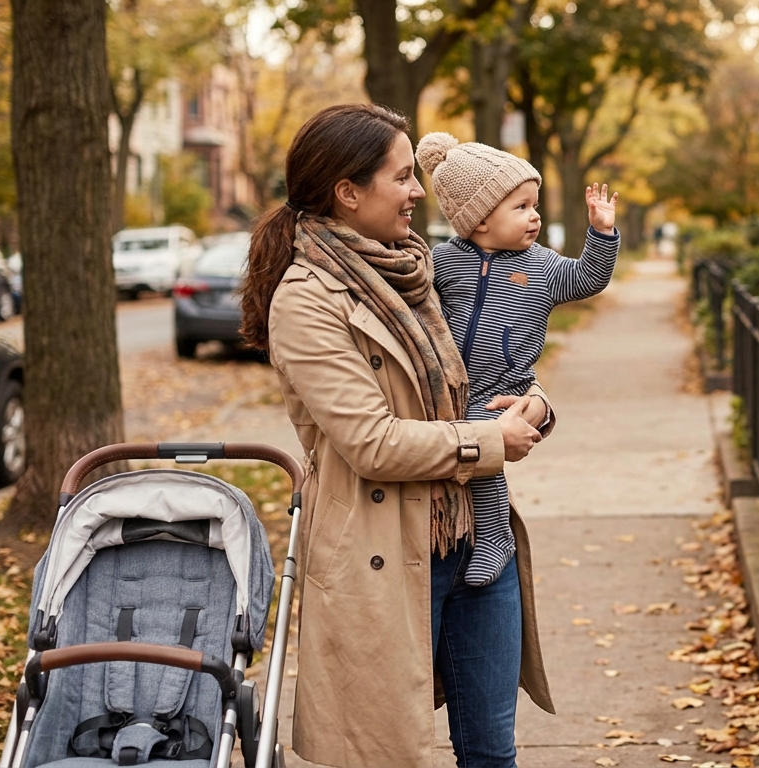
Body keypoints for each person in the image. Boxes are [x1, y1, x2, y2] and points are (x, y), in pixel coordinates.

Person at [237, 104, 555, 767]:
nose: (417, 193)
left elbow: (490, 367)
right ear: (347, 193)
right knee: (388, 757)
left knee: (492, 754)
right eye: (401, 178)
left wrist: (534, 405)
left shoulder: (419, 271)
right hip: (380, 557)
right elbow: (373, 443)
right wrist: (489, 442)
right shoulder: (306, 299)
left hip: (475, 537)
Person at [414, 132, 618, 587]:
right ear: (479, 220)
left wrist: (601, 234)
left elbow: (588, 278)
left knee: (483, 440)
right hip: (449, 383)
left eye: (535, 205)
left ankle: (493, 535)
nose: (535, 216)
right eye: (521, 207)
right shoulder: (443, 262)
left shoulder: (541, 267)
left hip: (500, 387)